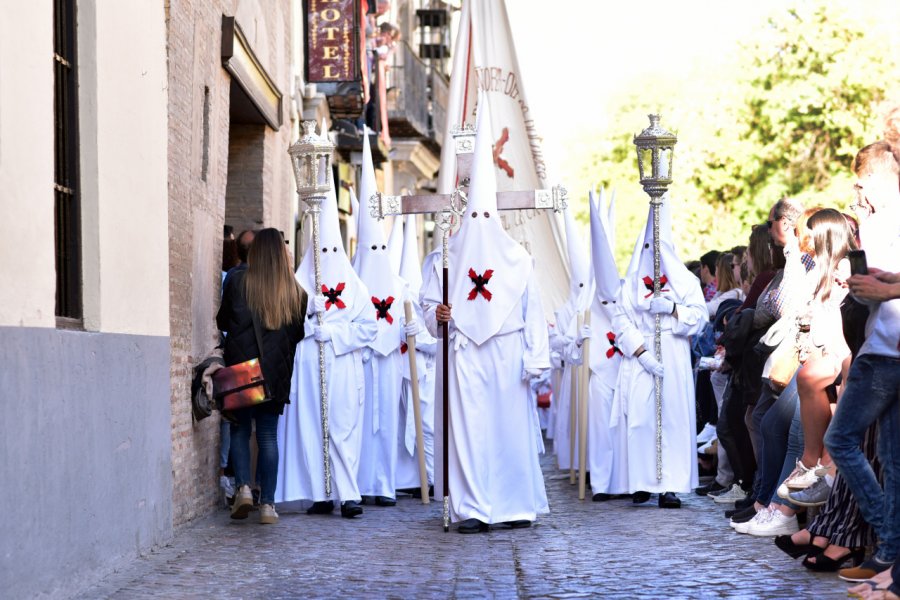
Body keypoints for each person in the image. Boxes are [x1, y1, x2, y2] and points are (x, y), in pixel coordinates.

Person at [422, 103, 550, 533]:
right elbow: (427, 305)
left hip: (508, 354)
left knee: (507, 431)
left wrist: (536, 360)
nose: (476, 222)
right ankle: (473, 507)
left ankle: (513, 506)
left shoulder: (518, 259)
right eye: (470, 214)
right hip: (463, 352)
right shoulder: (444, 255)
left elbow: (533, 312)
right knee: (470, 433)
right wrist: (435, 314)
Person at [275, 182, 378, 519]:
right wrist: (305, 317)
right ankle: (320, 493)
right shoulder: (300, 283)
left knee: (342, 428)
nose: (328, 259)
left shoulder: (357, 288)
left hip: (343, 366)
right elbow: (282, 325)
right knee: (311, 428)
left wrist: (332, 332)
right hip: (308, 367)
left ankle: (349, 495)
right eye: (323, 252)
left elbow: (369, 328)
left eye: (333, 251)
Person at [824, 140, 900, 582]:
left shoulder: (882, 219)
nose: (860, 195)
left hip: (885, 348)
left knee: (841, 441)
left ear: (871, 177)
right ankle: (888, 553)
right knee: (891, 458)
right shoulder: (878, 221)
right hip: (884, 343)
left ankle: (886, 535)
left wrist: (879, 287)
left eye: (859, 184)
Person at [612, 196, 709, 508]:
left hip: (674, 354)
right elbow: (620, 319)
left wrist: (673, 308)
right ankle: (641, 481)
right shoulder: (629, 285)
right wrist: (640, 353)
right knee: (640, 420)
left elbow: (700, 317)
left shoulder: (686, 282)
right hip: (642, 358)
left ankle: (670, 485)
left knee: (672, 419)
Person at [216, 228, 305, 525]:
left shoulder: (238, 280)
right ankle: (267, 504)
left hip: (243, 370)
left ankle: (242, 487)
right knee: (267, 436)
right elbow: (298, 335)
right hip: (274, 375)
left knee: (240, 430)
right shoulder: (296, 292)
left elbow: (223, 319)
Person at [354, 131, 422, 507]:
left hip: (392, 364)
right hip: (361, 364)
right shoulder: (350, 283)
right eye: (372, 246)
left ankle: (385, 485)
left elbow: (420, 328)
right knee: (361, 428)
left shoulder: (400, 287)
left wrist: (412, 331)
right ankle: (361, 484)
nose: (378, 251)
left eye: (382, 246)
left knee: (390, 428)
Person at [581, 188, 627, 501]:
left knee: (623, 428)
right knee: (599, 429)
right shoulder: (586, 301)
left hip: (624, 370)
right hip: (599, 372)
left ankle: (623, 481)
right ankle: (601, 482)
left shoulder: (625, 294)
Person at [551, 194, 594, 472]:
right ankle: (581, 466)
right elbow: (555, 341)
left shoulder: (601, 304)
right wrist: (574, 340)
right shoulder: (566, 309)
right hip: (574, 374)